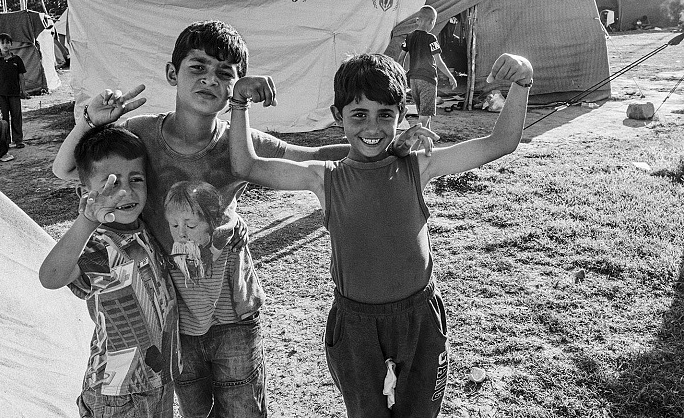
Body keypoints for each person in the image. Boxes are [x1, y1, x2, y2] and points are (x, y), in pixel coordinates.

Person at [52, 20, 352, 418]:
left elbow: (310, 157)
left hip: (233, 313)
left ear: (237, 86)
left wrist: (377, 146)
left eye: (225, 72)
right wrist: (90, 123)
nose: (211, 79)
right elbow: (67, 170)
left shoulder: (240, 143)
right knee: (194, 410)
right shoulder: (140, 134)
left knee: (244, 408)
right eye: (199, 67)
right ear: (172, 74)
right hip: (173, 317)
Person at [228, 52, 534, 418]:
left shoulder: (419, 166)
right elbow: (246, 165)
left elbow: (500, 143)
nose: (372, 128)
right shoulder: (323, 177)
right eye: (359, 114)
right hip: (356, 328)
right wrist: (238, 103)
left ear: (400, 116)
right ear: (336, 115)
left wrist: (523, 81)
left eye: (385, 115)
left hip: (419, 320)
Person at [40, 125, 180, 418]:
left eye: (136, 179)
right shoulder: (102, 245)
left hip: (156, 380)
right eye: (112, 183)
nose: (126, 191)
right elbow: (50, 277)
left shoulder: (144, 228)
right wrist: (86, 221)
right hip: (117, 393)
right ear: (85, 194)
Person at [401, 6, 457, 129]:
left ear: (417, 20)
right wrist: (451, 76)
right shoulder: (431, 38)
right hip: (428, 80)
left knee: (425, 114)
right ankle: (414, 144)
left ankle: (428, 145)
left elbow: (401, 58)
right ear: (432, 22)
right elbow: (438, 61)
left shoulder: (409, 37)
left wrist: (402, 75)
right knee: (424, 118)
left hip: (413, 80)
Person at [0, 33, 27, 149]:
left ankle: (18, 140)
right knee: (3, 118)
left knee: (16, 116)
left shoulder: (17, 60)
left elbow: (21, 77)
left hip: (14, 93)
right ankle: (5, 141)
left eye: (7, 42)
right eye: (2, 43)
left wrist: (23, 91)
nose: (5, 45)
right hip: (0, 94)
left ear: (11, 44)